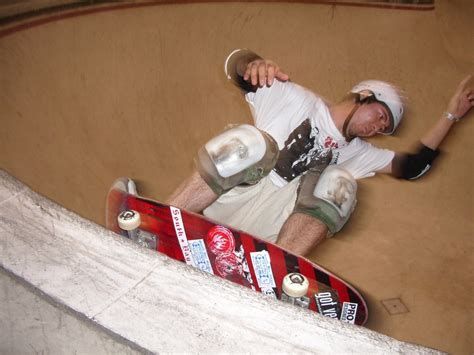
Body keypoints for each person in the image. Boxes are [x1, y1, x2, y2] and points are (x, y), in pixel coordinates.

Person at [167, 49, 473, 256]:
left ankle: (281, 266)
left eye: (384, 128)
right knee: (252, 141)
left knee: (341, 183)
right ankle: (167, 215)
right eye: (379, 116)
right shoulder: (292, 96)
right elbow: (235, 67)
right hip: (228, 199)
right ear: (364, 96)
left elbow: (412, 166)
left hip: (270, 230)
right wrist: (253, 63)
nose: (378, 128)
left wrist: (452, 116)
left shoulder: (359, 152)